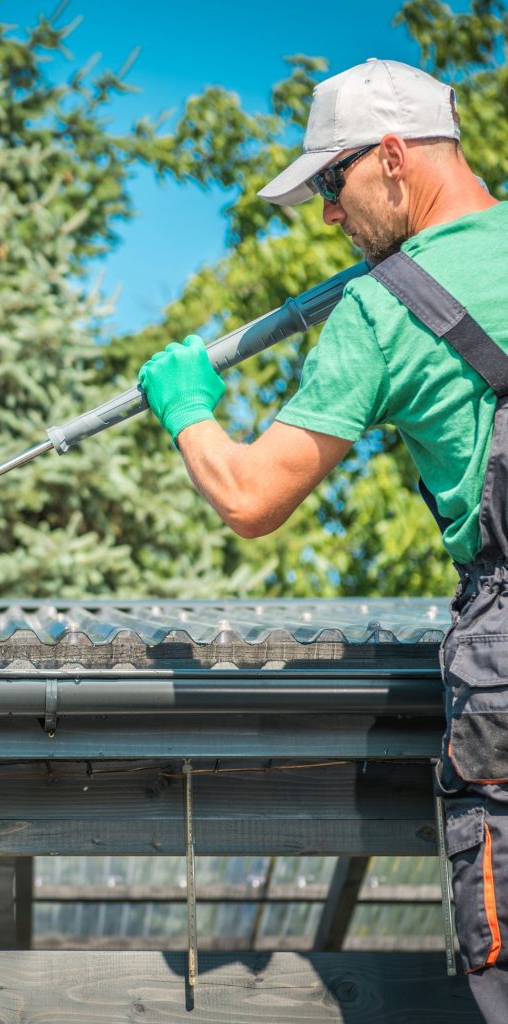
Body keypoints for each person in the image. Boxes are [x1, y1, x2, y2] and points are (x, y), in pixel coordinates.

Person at [137, 58, 507, 1022]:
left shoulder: (386, 309)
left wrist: (187, 409)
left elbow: (251, 497)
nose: (329, 217)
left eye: (332, 184)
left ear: (392, 157)